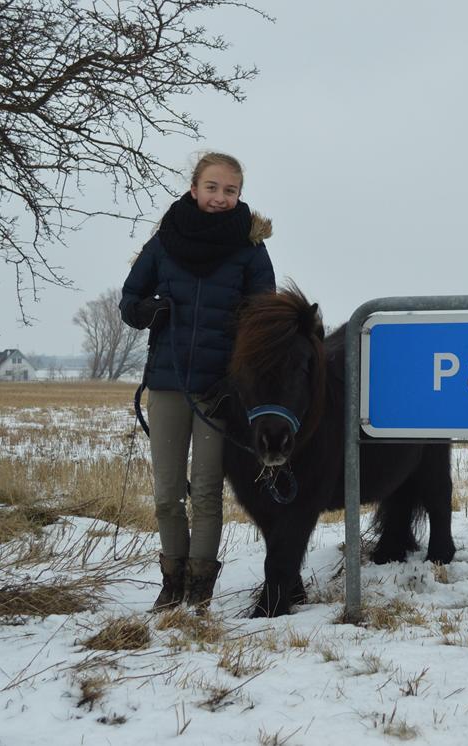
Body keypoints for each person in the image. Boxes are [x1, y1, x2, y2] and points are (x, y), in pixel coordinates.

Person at [120, 152, 275, 612]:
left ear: (239, 195)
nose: (220, 198)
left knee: (206, 492)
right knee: (168, 494)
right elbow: (130, 299)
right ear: (194, 189)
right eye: (212, 188)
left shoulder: (250, 247)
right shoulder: (165, 240)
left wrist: (241, 331)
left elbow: (264, 316)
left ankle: (200, 589)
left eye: (230, 191)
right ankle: (171, 582)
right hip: (167, 383)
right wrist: (148, 311)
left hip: (220, 389)